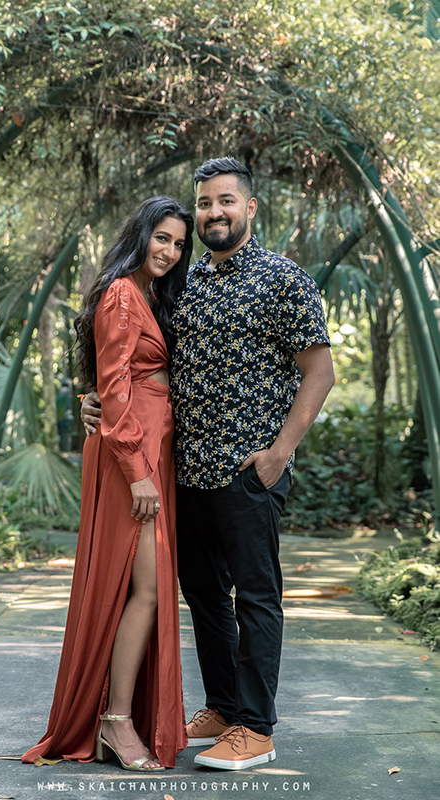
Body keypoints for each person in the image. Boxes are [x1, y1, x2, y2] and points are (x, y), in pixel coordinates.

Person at [82, 156, 335, 770]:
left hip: (249, 469)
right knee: (203, 594)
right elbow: (138, 364)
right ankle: (222, 706)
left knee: (255, 595)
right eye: (205, 204)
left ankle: (256, 726)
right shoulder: (185, 284)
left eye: (226, 201)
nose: (214, 212)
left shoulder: (282, 278)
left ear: (250, 208)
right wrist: (92, 401)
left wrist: (278, 455)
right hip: (183, 472)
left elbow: (319, 373)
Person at [22, 196, 194, 771]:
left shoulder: (144, 295)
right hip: (133, 457)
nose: (169, 251)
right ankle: (117, 724)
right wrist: (138, 471)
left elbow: (110, 378)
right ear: (140, 235)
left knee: (143, 587)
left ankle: (116, 717)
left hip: (147, 450)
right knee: (145, 588)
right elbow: (116, 387)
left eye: (178, 243)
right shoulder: (122, 292)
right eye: (161, 238)